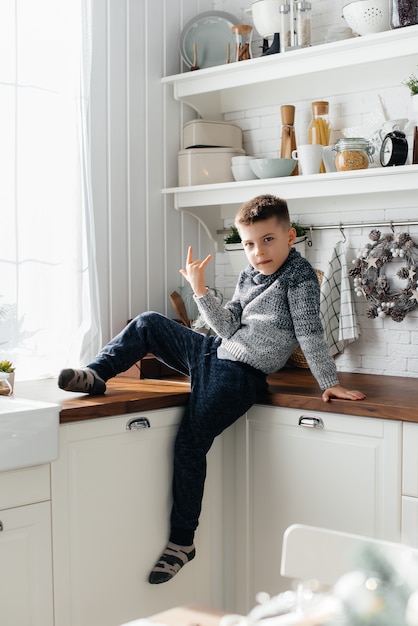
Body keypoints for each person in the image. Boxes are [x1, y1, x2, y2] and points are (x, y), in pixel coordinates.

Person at [58, 194, 365, 585]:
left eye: (268, 240)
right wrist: (200, 290)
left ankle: (183, 542)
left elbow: (310, 334)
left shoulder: (299, 278)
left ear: (290, 237)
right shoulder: (246, 277)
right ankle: (97, 375)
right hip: (214, 351)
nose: (258, 251)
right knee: (149, 322)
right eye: (250, 243)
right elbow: (225, 327)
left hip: (240, 374)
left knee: (189, 444)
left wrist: (330, 383)